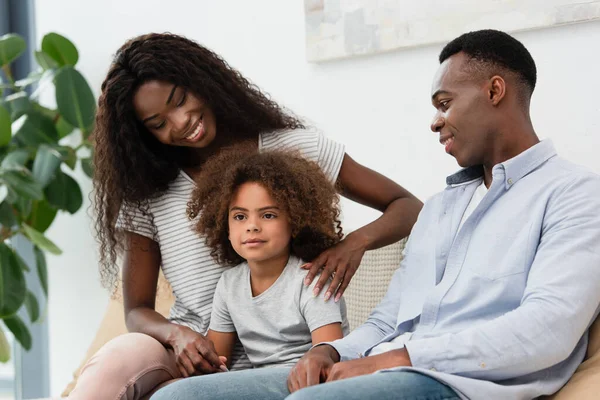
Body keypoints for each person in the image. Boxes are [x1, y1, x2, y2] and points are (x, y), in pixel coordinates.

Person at [152, 29, 600, 400]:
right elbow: (388, 320)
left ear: (494, 90)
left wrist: (395, 360)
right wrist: (329, 352)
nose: (435, 121)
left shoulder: (574, 194)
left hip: (460, 384)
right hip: (383, 370)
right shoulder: (441, 207)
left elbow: (546, 331)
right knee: (178, 398)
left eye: (444, 103)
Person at [67, 33, 422, 400]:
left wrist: (354, 244)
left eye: (180, 100)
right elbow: (137, 311)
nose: (181, 122)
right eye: (158, 123)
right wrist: (177, 336)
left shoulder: (293, 150)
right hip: (192, 352)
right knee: (114, 363)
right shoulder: (150, 191)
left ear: (202, 81)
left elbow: (408, 206)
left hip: (280, 361)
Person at [190, 147, 350, 371]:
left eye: (268, 215)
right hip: (257, 383)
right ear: (225, 227)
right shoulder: (229, 284)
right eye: (240, 216)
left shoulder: (312, 279)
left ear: (294, 221)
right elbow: (217, 360)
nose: (252, 226)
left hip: (308, 379)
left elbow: (329, 358)